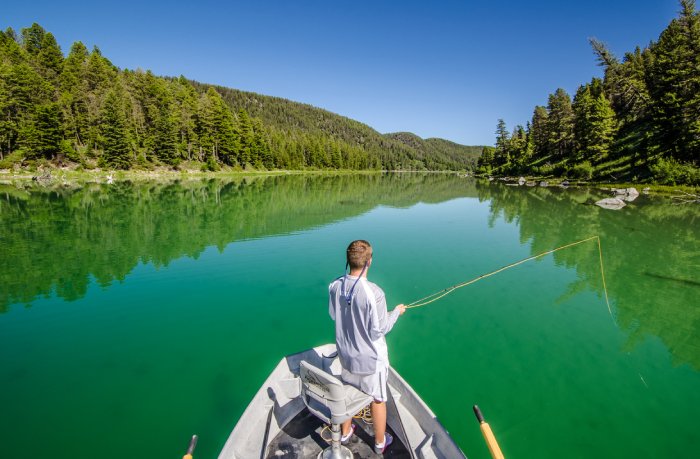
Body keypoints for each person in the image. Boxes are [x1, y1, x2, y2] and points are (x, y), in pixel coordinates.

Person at [328, 239, 407, 454]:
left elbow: (334, 315)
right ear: (369, 262)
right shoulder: (375, 293)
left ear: (348, 260)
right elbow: (379, 330)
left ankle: (345, 433)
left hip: (346, 356)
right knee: (378, 399)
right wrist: (396, 313)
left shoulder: (334, 286)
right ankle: (380, 443)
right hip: (372, 361)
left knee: (348, 393)